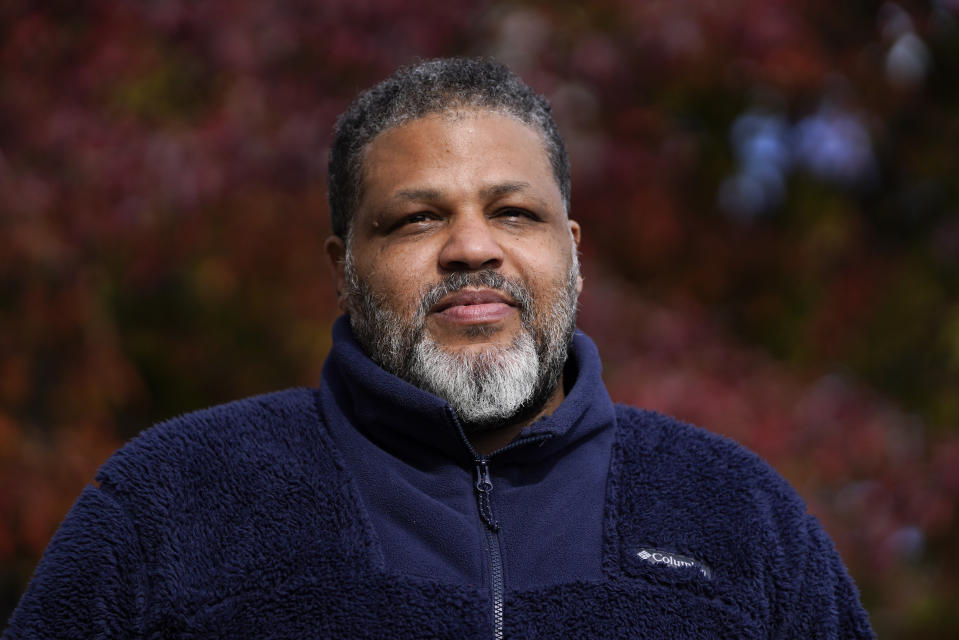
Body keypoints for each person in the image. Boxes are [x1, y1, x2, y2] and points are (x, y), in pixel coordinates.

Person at [4, 58, 874, 639]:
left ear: (571, 248)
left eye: (513, 212)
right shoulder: (175, 498)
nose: (471, 249)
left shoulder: (736, 516)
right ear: (343, 267)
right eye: (417, 218)